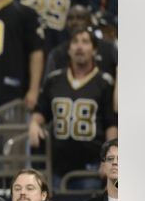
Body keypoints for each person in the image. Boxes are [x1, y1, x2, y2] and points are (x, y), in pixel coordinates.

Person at [29, 30, 117, 183]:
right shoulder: (54, 79)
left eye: (85, 42)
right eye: (75, 42)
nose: (79, 47)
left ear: (94, 50)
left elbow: (111, 124)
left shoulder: (104, 82)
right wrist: (34, 123)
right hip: (57, 167)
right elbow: (41, 111)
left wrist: (109, 158)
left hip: (91, 167)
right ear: (68, 49)